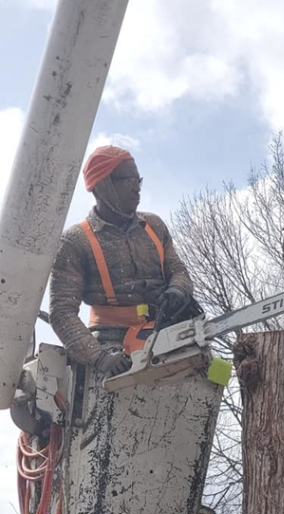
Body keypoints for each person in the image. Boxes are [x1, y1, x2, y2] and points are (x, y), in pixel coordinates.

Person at [49, 145, 195, 378]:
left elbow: (178, 270)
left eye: (139, 180)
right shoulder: (76, 241)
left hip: (164, 330)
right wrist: (99, 357)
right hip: (110, 340)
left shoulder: (154, 226)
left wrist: (177, 291)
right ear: (104, 184)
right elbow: (62, 311)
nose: (137, 188)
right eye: (129, 180)